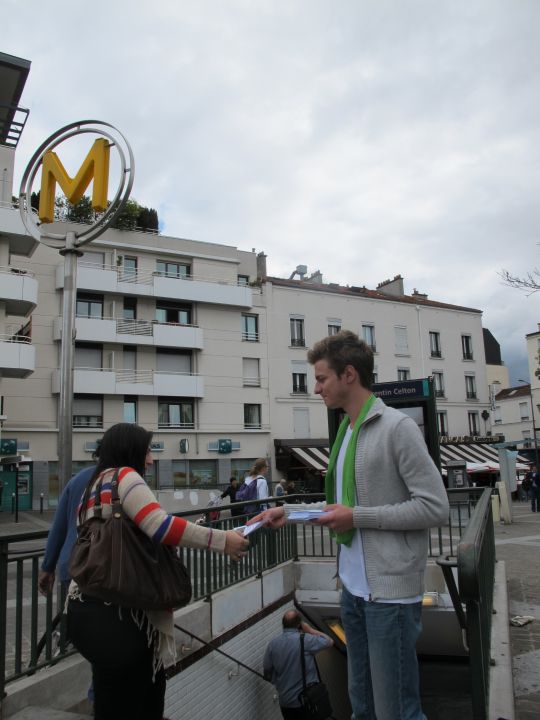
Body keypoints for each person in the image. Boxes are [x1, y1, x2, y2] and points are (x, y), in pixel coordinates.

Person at [251, 330, 449, 720]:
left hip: (389, 597)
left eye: (321, 378)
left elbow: (434, 507)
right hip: (354, 593)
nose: (315, 388)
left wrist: (357, 517)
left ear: (349, 375)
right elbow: (339, 507)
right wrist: (288, 513)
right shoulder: (346, 432)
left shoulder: (397, 428)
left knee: (397, 711)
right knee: (362, 707)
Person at [66, 423, 249, 720]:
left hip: (87, 609)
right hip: (125, 617)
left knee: (109, 698)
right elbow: (160, 525)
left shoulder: (93, 486)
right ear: (131, 450)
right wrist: (222, 540)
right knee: (143, 701)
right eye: (147, 450)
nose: (150, 459)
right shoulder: (126, 477)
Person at [38, 464, 97, 596]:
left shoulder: (79, 478)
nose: (150, 461)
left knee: (73, 612)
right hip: (102, 572)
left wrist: (48, 567)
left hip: (71, 565)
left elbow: (59, 527)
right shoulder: (126, 479)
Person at [263, 609, 333, 719]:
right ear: (299, 624)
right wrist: (309, 629)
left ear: (283, 624)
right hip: (306, 701)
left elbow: (267, 672)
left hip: (285, 702)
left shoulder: (272, 645)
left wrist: (280, 684)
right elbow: (329, 641)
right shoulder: (305, 640)